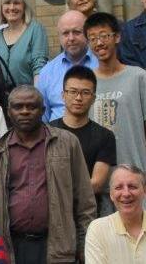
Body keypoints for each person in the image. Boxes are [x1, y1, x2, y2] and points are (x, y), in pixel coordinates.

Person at [0, 86, 96, 263]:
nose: (25, 111)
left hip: (57, 246)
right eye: (18, 106)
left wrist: (85, 246)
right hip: (10, 248)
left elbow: (84, 201)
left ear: (43, 110)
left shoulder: (67, 143)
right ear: (8, 111)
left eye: (31, 107)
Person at [87, 12, 146, 177]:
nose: (99, 43)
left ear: (117, 37)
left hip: (136, 175)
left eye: (104, 36)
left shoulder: (138, 76)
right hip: (99, 179)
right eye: (92, 38)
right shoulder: (87, 82)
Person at [49, 66, 117, 216]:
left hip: (89, 213)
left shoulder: (105, 136)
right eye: (73, 91)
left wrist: (58, 191)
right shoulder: (48, 132)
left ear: (93, 98)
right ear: (63, 95)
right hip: (52, 213)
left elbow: (96, 184)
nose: (78, 98)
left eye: (85, 92)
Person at [36, 10, 98, 121]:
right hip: (59, 136)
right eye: (65, 33)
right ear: (59, 36)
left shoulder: (101, 64)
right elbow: (42, 118)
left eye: (77, 32)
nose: (71, 38)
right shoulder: (47, 72)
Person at [0, 0, 48, 86]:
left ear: (24, 6)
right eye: (7, 3)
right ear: (1, 7)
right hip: (1, 99)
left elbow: (39, 66)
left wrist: (37, 96)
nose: (11, 8)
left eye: (16, 3)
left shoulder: (35, 29)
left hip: (28, 97)